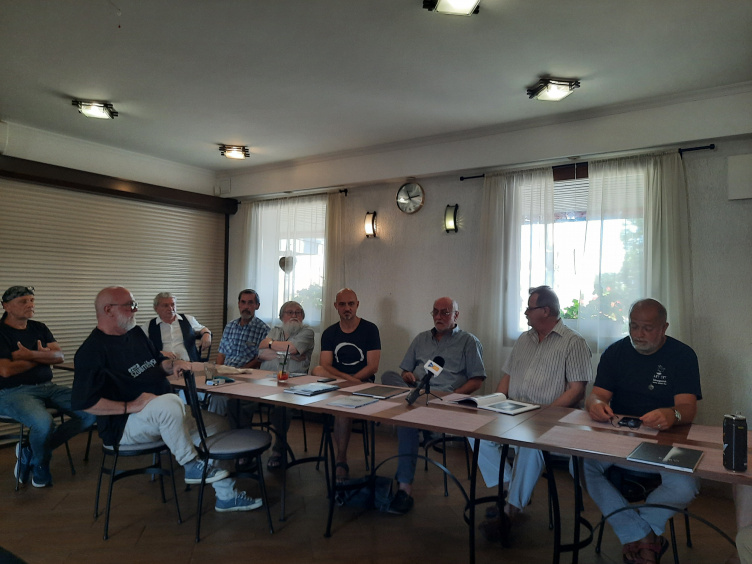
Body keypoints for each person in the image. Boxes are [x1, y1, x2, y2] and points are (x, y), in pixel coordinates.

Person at [72, 286, 262, 512]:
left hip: (162, 413)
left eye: (135, 304)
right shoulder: (91, 350)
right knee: (170, 402)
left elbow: (157, 362)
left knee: (218, 425)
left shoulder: (135, 334)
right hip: (124, 425)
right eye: (130, 305)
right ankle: (190, 464)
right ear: (108, 310)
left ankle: (226, 496)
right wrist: (131, 405)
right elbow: (86, 403)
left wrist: (172, 364)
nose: (135, 310)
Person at [583, 298, 701, 564]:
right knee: (579, 464)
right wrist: (596, 405)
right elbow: (597, 395)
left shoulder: (682, 355)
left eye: (647, 328)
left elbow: (687, 409)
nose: (638, 334)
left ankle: (636, 531)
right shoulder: (615, 352)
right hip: (620, 437)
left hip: (666, 441)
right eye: (633, 326)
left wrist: (672, 415)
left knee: (686, 485)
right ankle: (646, 536)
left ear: (664, 327)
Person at [475, 286, 592, 538]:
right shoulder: (524, 339)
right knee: (475, 433)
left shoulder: (573, 342)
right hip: (515, 412)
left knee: (531, 444)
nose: (525, 312)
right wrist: (494, 403)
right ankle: (511, 489)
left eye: (529, 308)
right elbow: (508, 377)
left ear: (545, 311)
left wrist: (544, 415)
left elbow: (577, 391)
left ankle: (510, 511)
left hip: (553, 420)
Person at [382, 296, 486, 515]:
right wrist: (407, 375)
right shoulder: (421, 339)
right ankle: (419, 418)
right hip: (416, 390)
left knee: (406, 420)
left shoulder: (468, 341)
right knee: (388, 376)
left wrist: (453, 397)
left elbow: (477, 380)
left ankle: (404, 488)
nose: (439, 316)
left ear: (456, 315)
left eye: (445, 312)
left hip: (443, 399)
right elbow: (404, 371)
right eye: (435, 312)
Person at [0, 285, 95, 488]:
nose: (30, 305)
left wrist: (29, 355)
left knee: (91, 411)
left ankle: (31, 451)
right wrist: (42, 357)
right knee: (44, 424)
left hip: (47, 387)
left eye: (32, 300)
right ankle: (41, 465)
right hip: (12, 392)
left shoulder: (39, 327)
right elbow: (6, 370)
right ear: (6, 306)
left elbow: (59, 357)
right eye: (23, 301)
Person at [312, 288, 380, 482]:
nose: (347, 308)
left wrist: (353, 383)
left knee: (341, 409)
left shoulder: (370, 329)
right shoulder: (330, 332)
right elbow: (325, 365)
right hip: (337, 382)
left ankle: (341, 459)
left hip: (362, 382)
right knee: (317, 370)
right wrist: (347, 381)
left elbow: (373, 367)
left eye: (351, 304)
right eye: (342, 304)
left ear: (357, 305)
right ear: (336, 306)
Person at [256, 301, 315, 469]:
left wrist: (271, 346)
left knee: (281, 408)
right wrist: (288, 353)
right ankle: (246, 449)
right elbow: (261, 353)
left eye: (298, 312)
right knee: (237, 403)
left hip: (293, 383)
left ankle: (278, 450)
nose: (294, 315)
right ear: (282, 317)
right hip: (265, 381)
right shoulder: (275, 330)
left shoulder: (307, 332)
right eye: (290, 312)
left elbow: (293, 348)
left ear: (302, 316)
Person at [212, 289, 270, 415]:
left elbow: (260, 359)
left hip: (246, 375)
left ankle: (217, 425)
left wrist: (240, 371)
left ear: (257, 306)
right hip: (225, 373)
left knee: (218, 398)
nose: (246, 307)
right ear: (239, 304)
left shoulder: (264, 330)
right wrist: (218, 372)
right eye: (243, 302)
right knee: (197, 391)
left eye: (250, 303)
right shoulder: (230, 326)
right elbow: (221, 354)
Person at [141, 292, 211, 362]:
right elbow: (140, 345)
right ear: (156, 308)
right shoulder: (149, 325)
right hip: (162, 364)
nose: (170, 308)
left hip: (190, 362)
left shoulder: (188, 319)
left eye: (173, 304)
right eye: (165, 305)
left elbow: (203, 329)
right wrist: (159, 353)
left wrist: (207, 334)